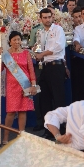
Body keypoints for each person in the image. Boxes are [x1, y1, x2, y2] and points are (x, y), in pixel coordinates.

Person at [0, 31, 37, 144]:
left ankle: (21, 136)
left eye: (19, 39)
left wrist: (33, 85)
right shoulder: (6, 55)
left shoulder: (26, 53)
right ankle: (5, 137)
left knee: (23, 111)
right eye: (14, 40)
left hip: (25, 85)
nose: (17, 42)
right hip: (12, 86)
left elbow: (31, 70)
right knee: (11, 112)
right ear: (10, 41)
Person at [33, 9, 67, 140]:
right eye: (44, 18)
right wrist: (36, 50)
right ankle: (48, 129)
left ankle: (62, 129)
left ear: (52, 17)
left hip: (56, 66)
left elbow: (58, 47)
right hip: (45, 67)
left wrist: (42, 54)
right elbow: (39, 48)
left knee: (58, 99)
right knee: (44, 99)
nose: (47, 19)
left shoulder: (58, 30)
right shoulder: (40, 32)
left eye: (49, 17)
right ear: (40, 19)